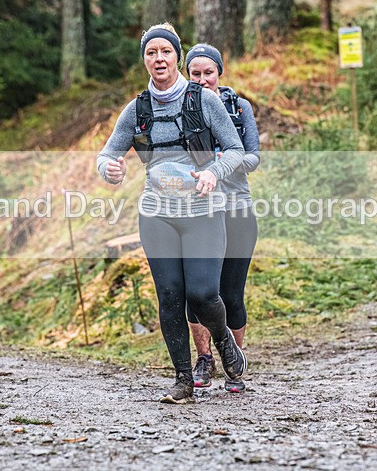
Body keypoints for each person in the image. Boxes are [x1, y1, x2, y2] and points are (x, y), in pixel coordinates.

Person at [96, 23, 247, 404]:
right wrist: (110, 169)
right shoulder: (138, 108)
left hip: (202, 209)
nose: (159, 58)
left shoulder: (204, 100)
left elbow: (234, 149)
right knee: (169, 295)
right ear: (144, 59)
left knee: (202, 293)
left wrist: (213, 172)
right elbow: (108, 154)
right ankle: (182, 379)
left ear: (177, 56)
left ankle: (223, 339)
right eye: (151, 52)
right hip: (157, 213)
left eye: (165, 51)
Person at [184, 43, 260, 393]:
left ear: (219, 73)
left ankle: (235, 363)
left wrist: (221, 161)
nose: (201, 80)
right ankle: (204, 359)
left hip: (236, 207)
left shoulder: (238, 107)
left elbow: (253, 157)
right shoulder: (181, 108)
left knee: (231, 292)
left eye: (207, 73)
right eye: (195, 74)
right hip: (196, 210)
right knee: (197, 294)